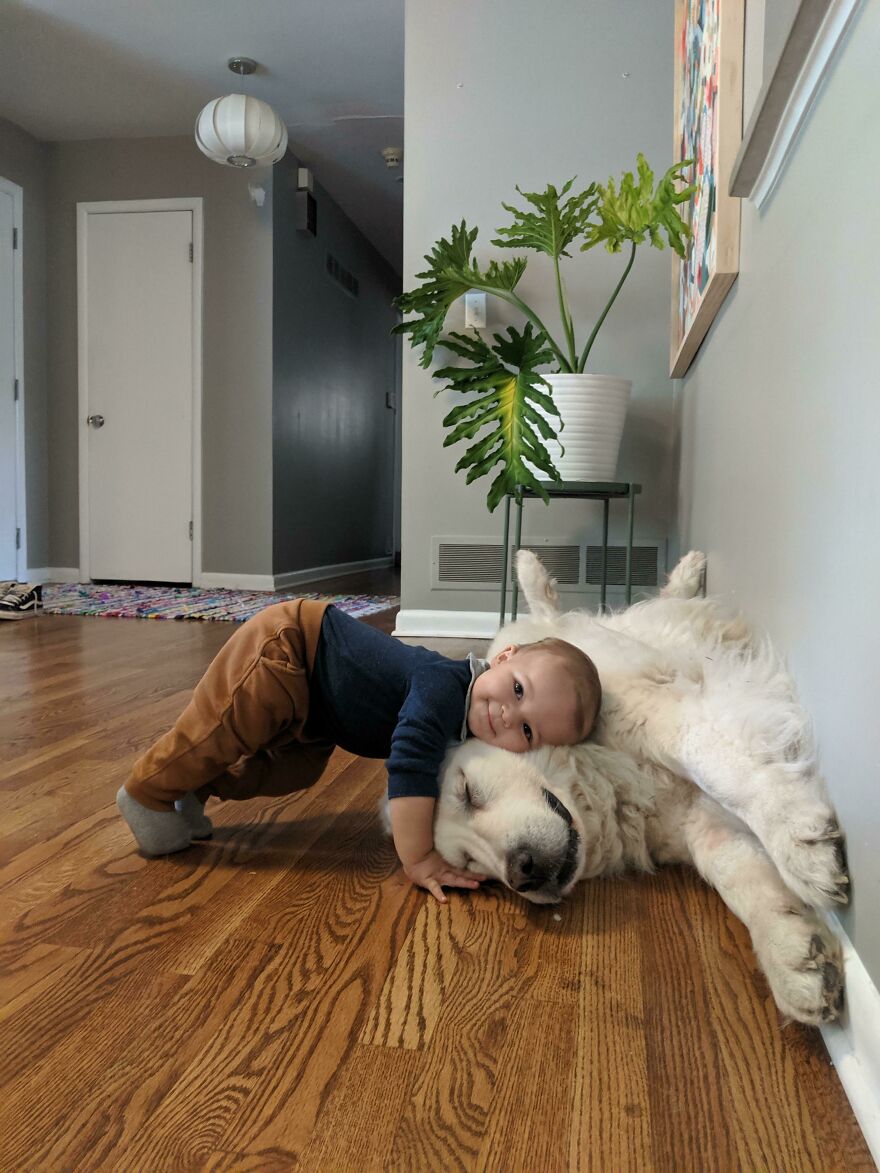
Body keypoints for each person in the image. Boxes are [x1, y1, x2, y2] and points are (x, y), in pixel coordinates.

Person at [116, 599, 601, 901]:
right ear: (503, 657)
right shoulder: (441, 687)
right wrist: (419, 858)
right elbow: (408, 763)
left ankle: (196, 790)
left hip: (319, 710)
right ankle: (147, 795)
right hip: (287, 649)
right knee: (219, 729)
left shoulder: (469, 717)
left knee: (289, 771)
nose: (507, 717)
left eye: (529, 732)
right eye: (517, 691)